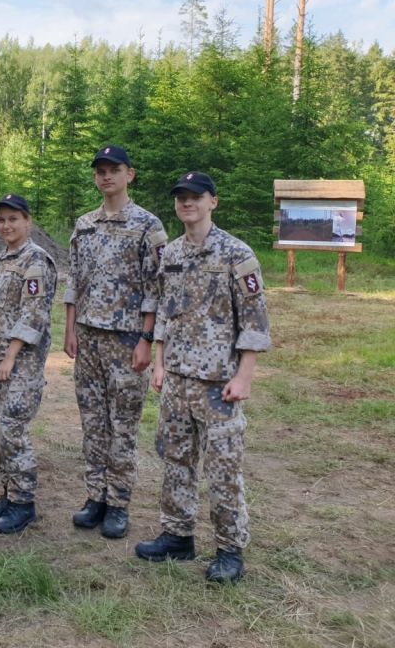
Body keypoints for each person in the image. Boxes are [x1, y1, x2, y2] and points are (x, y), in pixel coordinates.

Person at [135, 172, 271, 584]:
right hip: (176, 378)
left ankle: (230, 549)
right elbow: (161, 311)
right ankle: (177, 536)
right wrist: (160, 364)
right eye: (180, 197)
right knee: (175, 460)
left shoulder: (236, 253)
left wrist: (245, 375)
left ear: (213, 202)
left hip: (218, 385)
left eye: (195, 197)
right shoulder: (170, 253)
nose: (186, 203)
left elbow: (255, 320)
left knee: (223, 469)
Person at [63, 145, 167, 539]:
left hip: (126, 340)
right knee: (93, 422)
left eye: (114, 170)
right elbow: (74, 280)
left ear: (130, 175)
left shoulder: (148, 225)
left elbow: (156, 287)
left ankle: (119, 501)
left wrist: (145, 339)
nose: (107, 177)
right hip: (87, 338)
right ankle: (96, 497)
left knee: (122, 424)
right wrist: (70, 328)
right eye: (100, 171)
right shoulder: (84, 224)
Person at [0, 194, 57, 534]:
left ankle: (24, 503)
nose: (6, 225)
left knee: (13, 428)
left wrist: (10, 356)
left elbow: (33, 314)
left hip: (21, 363)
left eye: (13, 219)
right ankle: (9, 493)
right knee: (0, 429)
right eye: (1, 220)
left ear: (28, 221)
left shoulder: (36, 261)